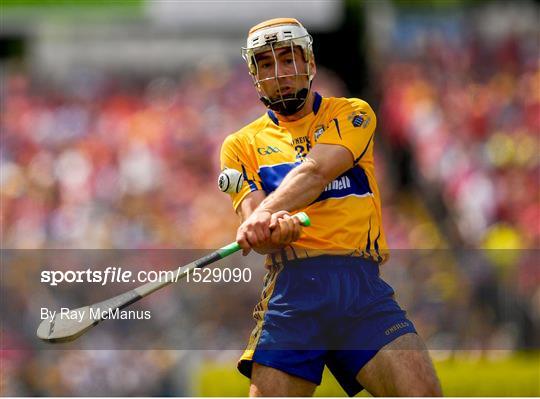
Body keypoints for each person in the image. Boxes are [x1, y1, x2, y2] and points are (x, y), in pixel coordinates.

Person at [220, 17, 442, 397]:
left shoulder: (352, 113)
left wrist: (262, 216)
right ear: (255, 75)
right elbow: (258, 231)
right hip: (293, 291)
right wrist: (272, 233)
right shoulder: (239, 146)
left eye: (288, 59)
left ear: (310, 63)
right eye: (268, 65)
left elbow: (317, 171)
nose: (280, 73)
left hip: (360, 291)